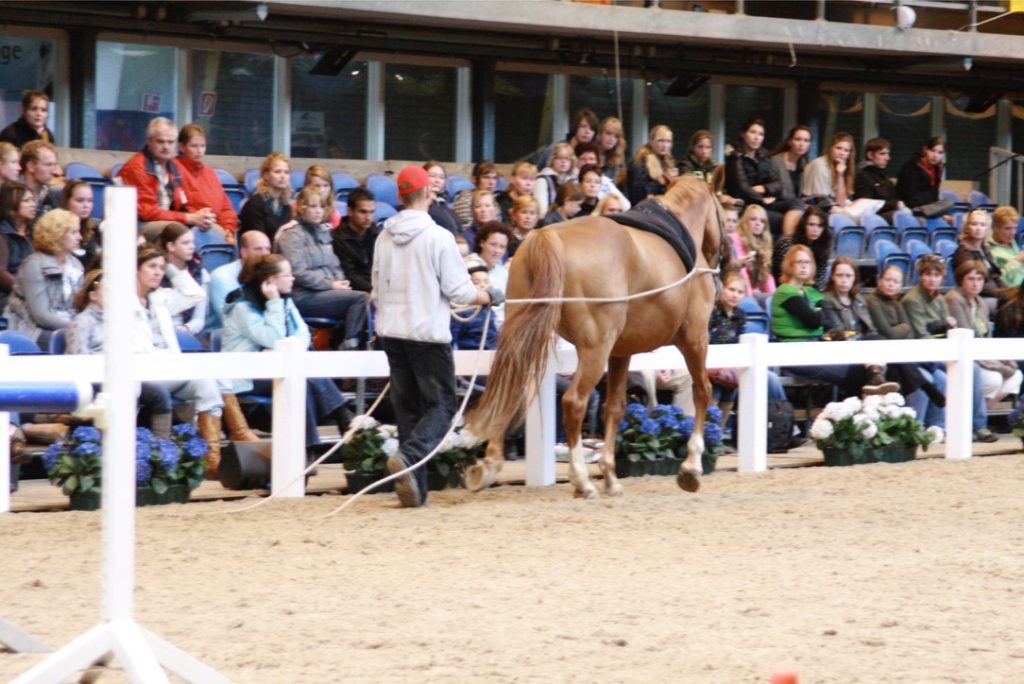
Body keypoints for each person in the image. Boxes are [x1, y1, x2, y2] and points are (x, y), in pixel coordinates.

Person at [372, 165, 500, 508]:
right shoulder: (438, 237)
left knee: (409, 411)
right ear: (428, 193)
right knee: (442, 408)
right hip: (427, 334)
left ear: (400, 196)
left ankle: (416, 490)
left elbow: (376, 286)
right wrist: (488, 296)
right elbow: (459, 291)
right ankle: (409, 457)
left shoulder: (383, 236)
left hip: (392, 333)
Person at [222, 254, 353, 457]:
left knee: (300, 382)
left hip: (278, 368)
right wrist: (274, 303)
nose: (293, 279)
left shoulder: (285, 301)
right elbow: (272, 337)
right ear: (270, 280)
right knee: (300, 379)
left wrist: (285, 347)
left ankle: (305, 452)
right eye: (288, 274)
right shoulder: (241, 306)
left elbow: (302, 334)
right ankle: (340, 419)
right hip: (245, 376)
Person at [134, 246, 228, 474]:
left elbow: (196, 294)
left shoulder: (161, 298)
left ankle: (211, 459)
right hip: (142, 372)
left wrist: (171, 269)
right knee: (208, 376)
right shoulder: (120, 302)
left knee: (208, 383)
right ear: (134, 270)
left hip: (170, 369)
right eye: (151, 267)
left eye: (160, 268)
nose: (158, 272)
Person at [66, 269, 181, 438]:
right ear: (93, 296)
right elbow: (79, 360)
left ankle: (160, 450)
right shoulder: (82, 321)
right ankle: (117, 444)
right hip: (94, 381)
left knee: (159, 394)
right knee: (125, 390)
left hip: (122, 377)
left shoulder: (120, 321)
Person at [902, 253, 995, 441]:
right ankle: (940, 426)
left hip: (944, 349)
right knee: (946, 378)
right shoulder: (913, 300)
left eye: (936, 275)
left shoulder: (938, 298)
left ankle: (977, 425)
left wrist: (945, 334)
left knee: (973, 369)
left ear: (942, 277)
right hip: (924, 355)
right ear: (921, 276)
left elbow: (949, 327)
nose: (932, 279)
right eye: (928, 275)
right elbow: (922, 335)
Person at [771, 245, 886, 395]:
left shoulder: (810, 291)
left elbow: (827, 323)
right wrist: (817, 315)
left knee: (876, 342)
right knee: (859, 373)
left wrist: (817, 315)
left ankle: (874, 389)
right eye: (799, 262)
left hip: (818, 345)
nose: (804, 266)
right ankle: (861, 411)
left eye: (807, 262)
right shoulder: (785, 290)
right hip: (795, 352)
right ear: (789, 265)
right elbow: (813, 321)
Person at [274, 186, 369, 349]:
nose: (318, 211)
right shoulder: (292, 235)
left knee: (367, 300)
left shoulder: (323, 233)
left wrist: (341, 282)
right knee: (361, 298)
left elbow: (335, 265)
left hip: (325, 293)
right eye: (313, 206)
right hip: (302, 295)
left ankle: (348, 344)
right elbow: (298, 273)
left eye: (321, 206)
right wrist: (331, 285)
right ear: (302, 208)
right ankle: (349, 348)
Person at [864, 263, 946, 423]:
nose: (891, 284)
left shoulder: (897, 303)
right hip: (882, 354)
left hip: (900, 354)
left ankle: (936, 427)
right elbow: (887, 332)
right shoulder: (872, 300)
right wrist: (902, 328)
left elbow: (907, 332)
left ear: (901, 285)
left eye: (896, 282)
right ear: (879, 280)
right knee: (922, 378)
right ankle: (916, 422)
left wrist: (900, 329)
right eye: (888, 280)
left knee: (941, 377)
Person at [115, 118, 215, 244]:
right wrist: (189, 218)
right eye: (160, 142)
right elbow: (147, 213)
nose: (166, 147)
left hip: (167, 221)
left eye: (170, 142)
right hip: (137, 226)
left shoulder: (173, 166)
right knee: (179, 231)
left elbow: (182, 203)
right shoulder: (138, 167)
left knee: (213, 230)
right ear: (149, 142)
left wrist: (200, 215)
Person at [945, 260, 1023, 408]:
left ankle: (980, 414)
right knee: (994, 379)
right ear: (961, 279)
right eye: (971, 279)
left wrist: (1002, 358)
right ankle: (974, 418)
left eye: (979, 279)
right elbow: (965, 336)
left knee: (1016, 375)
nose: (975, 283)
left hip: (983, 354)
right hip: (966, 357)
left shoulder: (980, 302)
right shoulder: (954, 299)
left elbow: (987, 337)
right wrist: (998, 366)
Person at [2, 208, 83, 348]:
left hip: (67, 326)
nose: (80, 237)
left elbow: (80, 307)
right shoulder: (34, 265)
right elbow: (41, 316)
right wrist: (77, 326)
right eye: (74, 232)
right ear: (57, 235)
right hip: (30, 329)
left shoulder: (76, 265)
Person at [725, 118, 802, 236]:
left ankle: (786, 244)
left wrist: (764, 188)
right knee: (782, 219)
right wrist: (762, 200)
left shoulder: (764, 155)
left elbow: (778, 184)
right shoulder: (735, 156)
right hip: (745, 205)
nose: (757, 137)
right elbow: (742, 188)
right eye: (753, 132)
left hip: (765, 203)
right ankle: (786, 245)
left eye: (761, 134)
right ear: (743, 134)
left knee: (797, 203)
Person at [175, 122, 235, 245]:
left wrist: (228, 227)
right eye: (194, 146)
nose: (199, 151)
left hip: (216, 225)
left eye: (202, 146)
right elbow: (180, 205)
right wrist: (204, 219)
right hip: (193, 226)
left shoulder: (210, 173)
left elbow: (226, 207)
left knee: (230, 239)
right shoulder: (174, 169)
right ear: (182, 147)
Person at [210, 229, 272, 324]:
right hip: (223, 333)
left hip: (262, 330)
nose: (265, 254)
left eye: (267, 249)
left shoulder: (269, 274)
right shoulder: (221, 276)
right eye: (258, 249)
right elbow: (228, 318)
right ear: (243, 252)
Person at [159, 222, 209, 336]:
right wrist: (168, 268)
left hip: (186, 333)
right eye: (185, 243)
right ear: (170, 246)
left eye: (192, 241)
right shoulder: (156, 271)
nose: (192, 246)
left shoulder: (200, 274)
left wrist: (185, 329)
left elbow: (199, 319)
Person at [771, 205, 832, 290]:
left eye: (820, 226)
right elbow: (782, 275)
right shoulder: (786, 244)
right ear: (803, 225)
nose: (815, 230)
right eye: (811, 224)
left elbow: (820, 280)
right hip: (786, 289)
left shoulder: (823, 246)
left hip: (810, 291)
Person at [332, 187, 379, 293]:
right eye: (363, 212)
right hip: (356, 292)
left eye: (372, 212)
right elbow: (350, 275)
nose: (368, 217)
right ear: (350, 211)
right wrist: (375, 290)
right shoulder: (337, 238)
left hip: (376, 286)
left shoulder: (375, 233)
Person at [238, 152, 294, 242]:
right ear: (266, 175)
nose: (283, 176)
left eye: (286, 172)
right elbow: (258, 242)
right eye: (278, 172)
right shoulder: (255, 204)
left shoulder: (286, 207)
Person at [466, 221, 512, 328]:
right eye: (493, 245)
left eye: (502, 247)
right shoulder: (468, 265)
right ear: (482, 243)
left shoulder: (503, 273)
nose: (497, 251)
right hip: (474, 327)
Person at [0, 181, 38, 309]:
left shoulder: (35, 232)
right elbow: (1, 273)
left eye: (33, 200)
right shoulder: (3, 234)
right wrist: (27, 291)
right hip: (9, 298)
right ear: (12, 205)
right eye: (26, 201)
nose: (33, 205)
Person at [896, 136, 950, 220]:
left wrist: (939, 211)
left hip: (927, 207)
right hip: (911, 207)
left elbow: (934, 195)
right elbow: (908, 195)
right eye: (932, 151)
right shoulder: (912, 166)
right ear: (925, 149)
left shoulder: (937, 169)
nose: (935, 156)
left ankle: (933, 213)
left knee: (949, 203)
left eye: (940, 153)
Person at [952, 208, 1002, 295]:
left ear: (987, 229)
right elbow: (974, 283)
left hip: (993, 293)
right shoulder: (962, 252)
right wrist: (1002, 293)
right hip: (975, 295)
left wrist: (1010, 291)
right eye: (974, 224)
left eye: (982, 225)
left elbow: (995, 275)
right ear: (967, 227)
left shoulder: (985, 249)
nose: (978, 228)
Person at [451, 265, 499, 350]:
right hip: (468, 357)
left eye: (486, 282)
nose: (483, 285)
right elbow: (452, 342)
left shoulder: (491, 311)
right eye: (476, 282)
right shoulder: (461, 314)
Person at [626, 125, 677, 205]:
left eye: (668, 141)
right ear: (650, 141)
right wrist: (662, 181)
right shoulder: (640, 160)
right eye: (660, 141)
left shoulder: (668, 161)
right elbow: (638, 194)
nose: (665, 146)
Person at [734, 204, 775, 302]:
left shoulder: (764, 243)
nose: (758, 223)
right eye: (753, 219)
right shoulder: (736, 238)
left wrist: (774, 299)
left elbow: (766, 276)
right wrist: (750, 297)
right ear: (745, 222)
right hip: (741, 291)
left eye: (762, 221)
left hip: (756, 292)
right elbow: (742, 272)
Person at [854, 137, 900, 221]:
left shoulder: (884, 178)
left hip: (888, 216)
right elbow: (867, 207)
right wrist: (895, 204)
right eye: (882, 154)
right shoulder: (863, 177)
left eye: (888, 154)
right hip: (872, 219)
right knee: (901, 216)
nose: (887, 158)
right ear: (870, 155)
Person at [59, 180, 100, 269]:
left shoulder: (93, 231)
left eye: (90, 201)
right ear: (67, 202)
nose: (86, 205)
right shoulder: (58, 230)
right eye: (80, 200)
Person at [452, 160, 498, 230]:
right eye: (486, 177)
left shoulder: (494, 201)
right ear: (474, 179)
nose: (491, 182)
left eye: (494, 178)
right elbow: (464, 229)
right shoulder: (465, 199)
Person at [19, 140, 61, 217]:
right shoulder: (12, 193)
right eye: (48, 165)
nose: (55, 171)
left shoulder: (54, 193)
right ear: (31, 166)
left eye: (54, 165)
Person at [533, 142, 575, 216]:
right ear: (552, 160)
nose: (564, 161)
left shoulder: (572, 181)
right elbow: (541, 213)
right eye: (560, 158)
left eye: (567, 158)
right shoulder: (542, 180)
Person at [988, 206, 1024, 288]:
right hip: (1011, 292)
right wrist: (1018, 260)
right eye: (1008, 229)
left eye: (1015, 228)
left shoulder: (1012, 242)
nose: (1013, 233)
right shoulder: (989, 250)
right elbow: (1000, 280)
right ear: (995, 228)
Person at [423, 161, 461, 235]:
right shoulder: (419, 205)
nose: (437, 180)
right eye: (432, 176)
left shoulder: (446, 206)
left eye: (441, 177)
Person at [302, 164, 342, 229]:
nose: (322, 190)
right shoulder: (295, 209)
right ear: (307, 187)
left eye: (326, 186)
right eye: (317, 186)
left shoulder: (334, 215)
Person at [506, 194, 540, 259]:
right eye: (524, 212)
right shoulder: (508, 238)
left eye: (532, 213)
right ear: (514, 215)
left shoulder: (540, 239)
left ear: (537, 218)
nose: (528, 217)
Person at [596, 116, 627, 182]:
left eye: (616, 136)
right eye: (608, 133)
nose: (612, 139)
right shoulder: (589, 155)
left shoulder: (615, 161)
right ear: (600, 133)